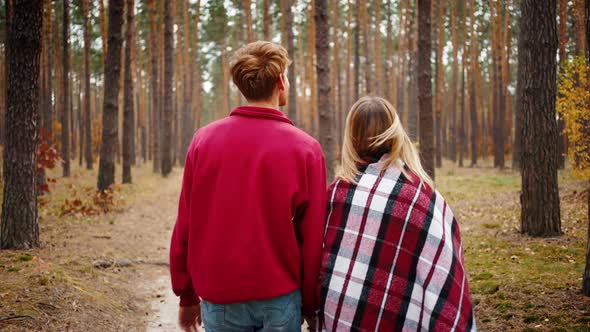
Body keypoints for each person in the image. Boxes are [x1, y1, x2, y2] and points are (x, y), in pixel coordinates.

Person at [169, 41, 327, 332]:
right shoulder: (306, 149)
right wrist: (310, 303)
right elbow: (313, 238)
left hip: (220, 299)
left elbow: (186, 224)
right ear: (280, 82)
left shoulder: (204, 142)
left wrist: (186, 295)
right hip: (280, 299)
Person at [319, 96, 476, 331]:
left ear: (351, 138)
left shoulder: (335, 193)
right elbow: (444, 269)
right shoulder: (422, 197)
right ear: (395, 135)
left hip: (342, 319)